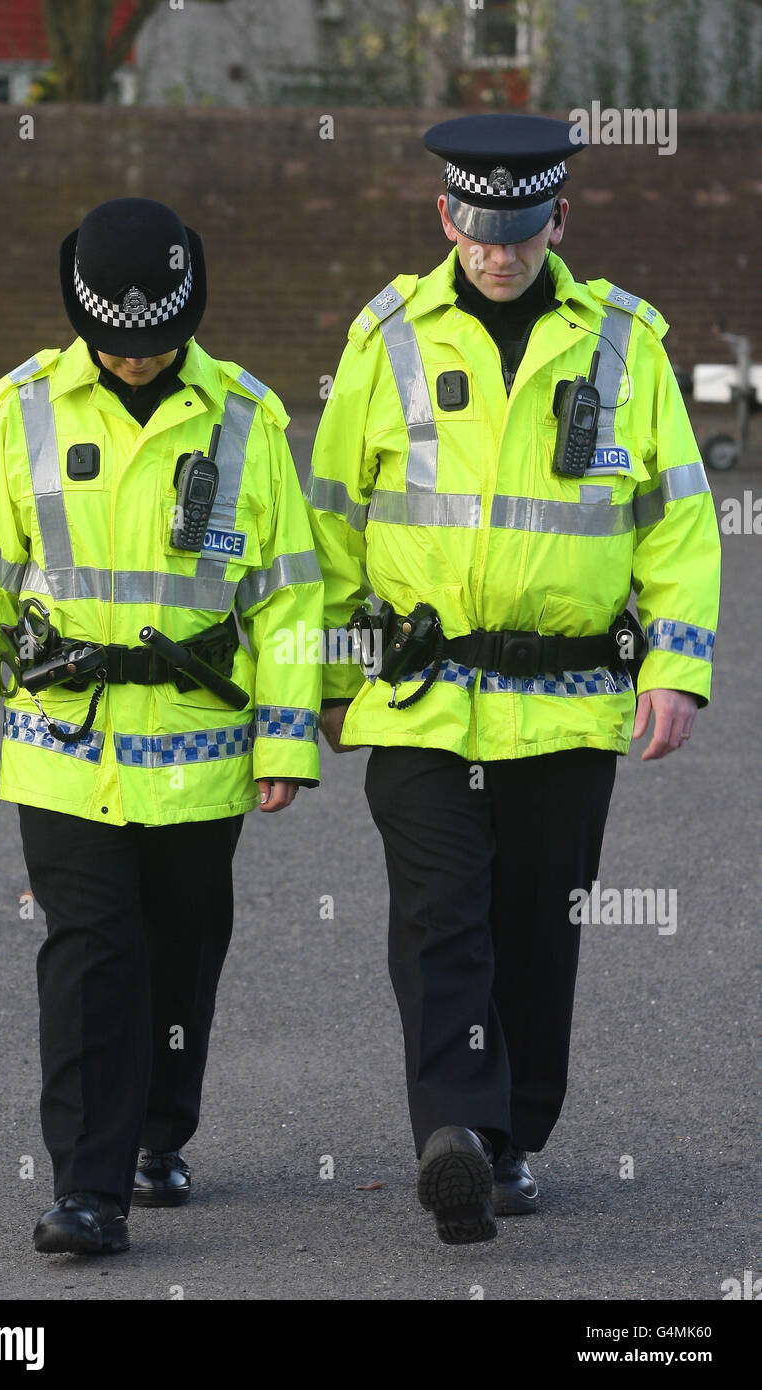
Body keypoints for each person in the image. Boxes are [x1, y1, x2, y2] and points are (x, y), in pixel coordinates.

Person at [305, 115, 720, 1244]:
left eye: (521, 232)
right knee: (442, 919)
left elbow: (677, 523)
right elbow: (329, 526)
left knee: (536, 929)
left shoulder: (624, 343)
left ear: (558, 220)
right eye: (479, 231)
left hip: (566, 705)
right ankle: (456, 1130)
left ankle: (512, 1136)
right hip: (424, 701)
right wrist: (334, 683)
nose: (498, 253)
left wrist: (675, 670)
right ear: (445, 217)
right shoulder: (385, 335)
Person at [0, 197, 323, 1255]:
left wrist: (287, 736)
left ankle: (157, 1132)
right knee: (90, 953)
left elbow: (286, 595)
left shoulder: (246, 418)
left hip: (199, 755)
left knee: (182, 952)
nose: (136, 361)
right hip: (63, 748)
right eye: (117, 342)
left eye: (155, 343)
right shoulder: (20, 414)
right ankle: (86, 1187)